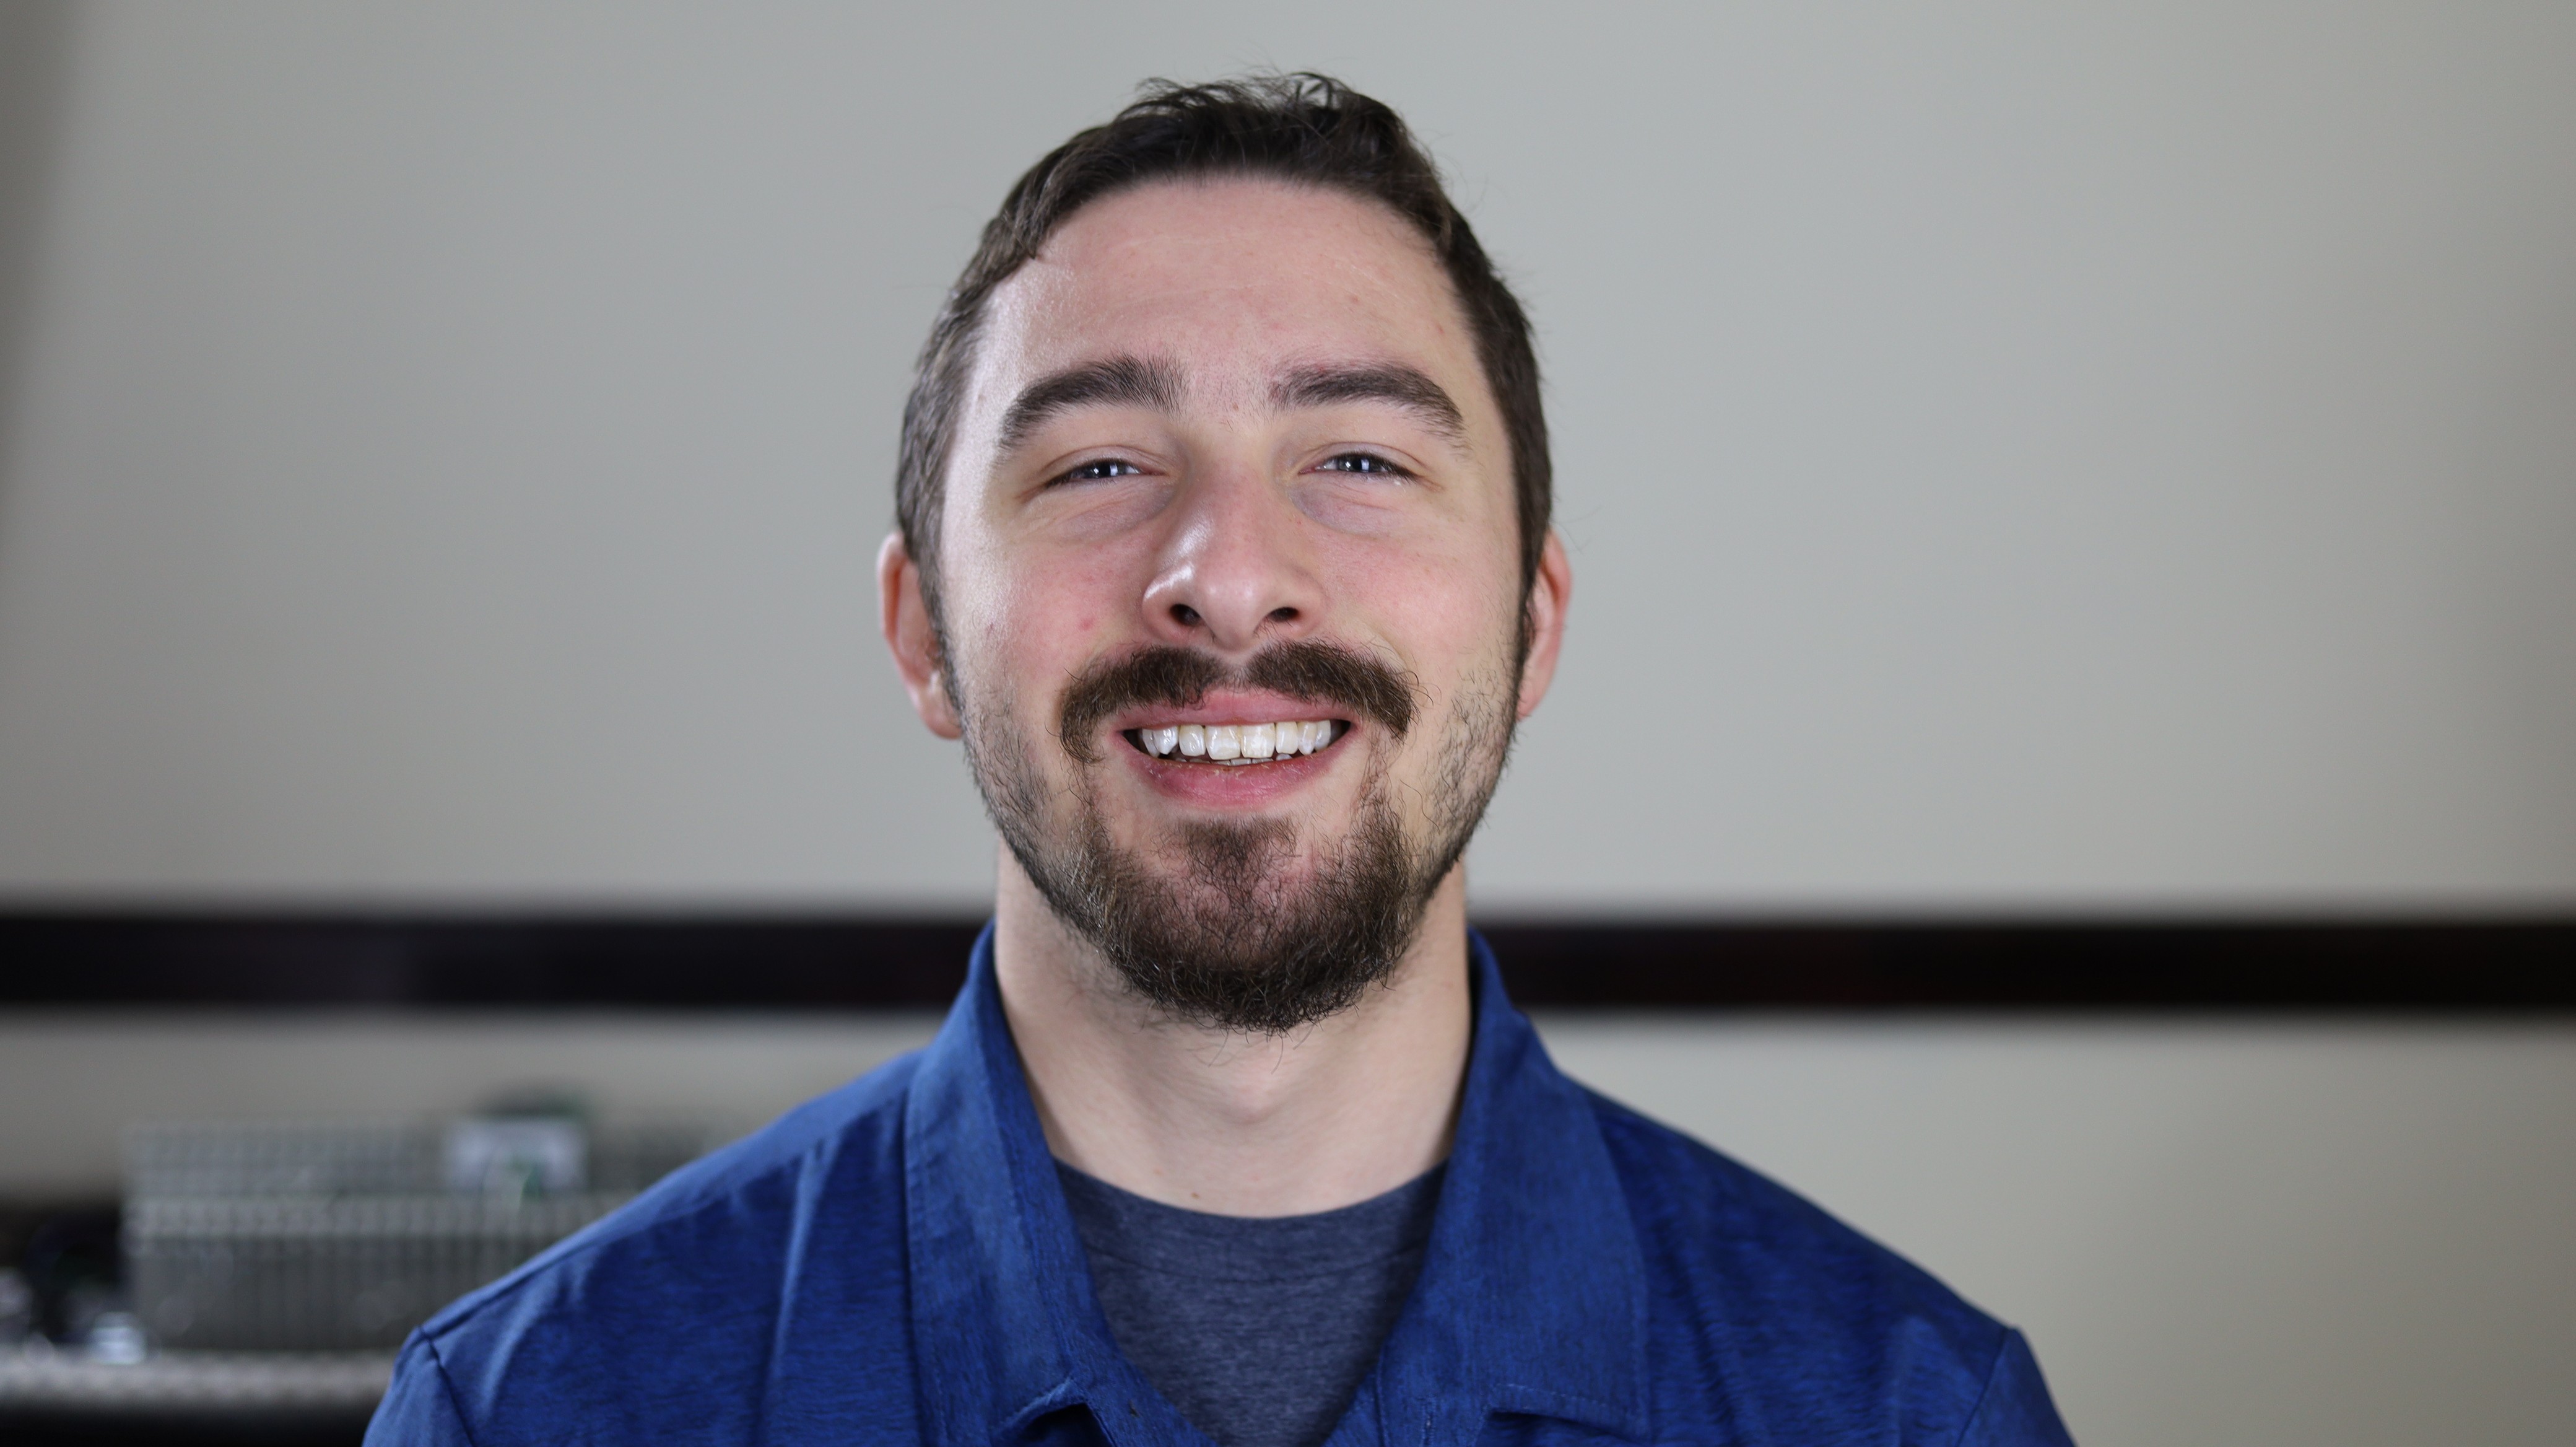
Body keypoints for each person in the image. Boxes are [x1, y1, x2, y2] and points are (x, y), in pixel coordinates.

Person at [366, 74, 2075, 1447]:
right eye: (1103, 467)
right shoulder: (534, 1411)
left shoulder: (1909, 1410)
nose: (1231, 574)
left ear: (1534, 623)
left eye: (1359, 458)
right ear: (922, 637)